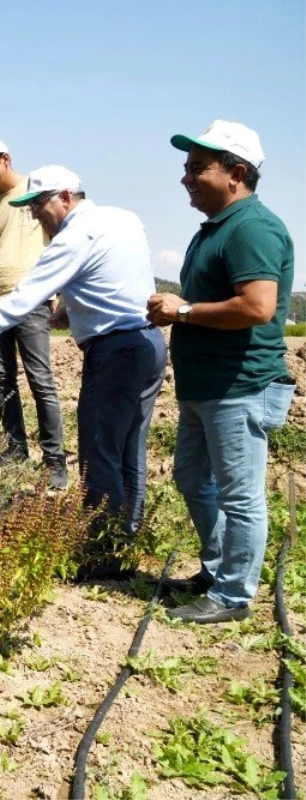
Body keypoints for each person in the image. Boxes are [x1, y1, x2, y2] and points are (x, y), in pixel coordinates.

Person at [0, 166, 166, 580]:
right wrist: (70, 308)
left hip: (115, 353)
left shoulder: (73, 238)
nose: (34, 216)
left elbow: (19, 301)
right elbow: (119, 278)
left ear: (65, 197)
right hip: (148, 345)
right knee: (129, 453)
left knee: (100, 455)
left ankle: (102, 555)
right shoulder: (123, 219)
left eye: (38, 205)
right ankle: (125, 539)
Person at [147, 120, 295, 624]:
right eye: (185, 168)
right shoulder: (213, 230)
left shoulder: (252, 227)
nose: (185, 178)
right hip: (206, 385)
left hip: (240, 385)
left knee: (240, 493)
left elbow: (256, 307)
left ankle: (233, 595)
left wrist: (182, 311)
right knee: (191, 477)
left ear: (236, 173)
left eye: (196, 168)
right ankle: (217, 569)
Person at [0, 137, 67, 488]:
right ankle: (15, 449)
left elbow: (60, 238)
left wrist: (55, 292)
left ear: (5, 159)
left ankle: (55, 462)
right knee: (3, 379)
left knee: (40, 380)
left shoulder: (36, 191)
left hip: (32, 300)